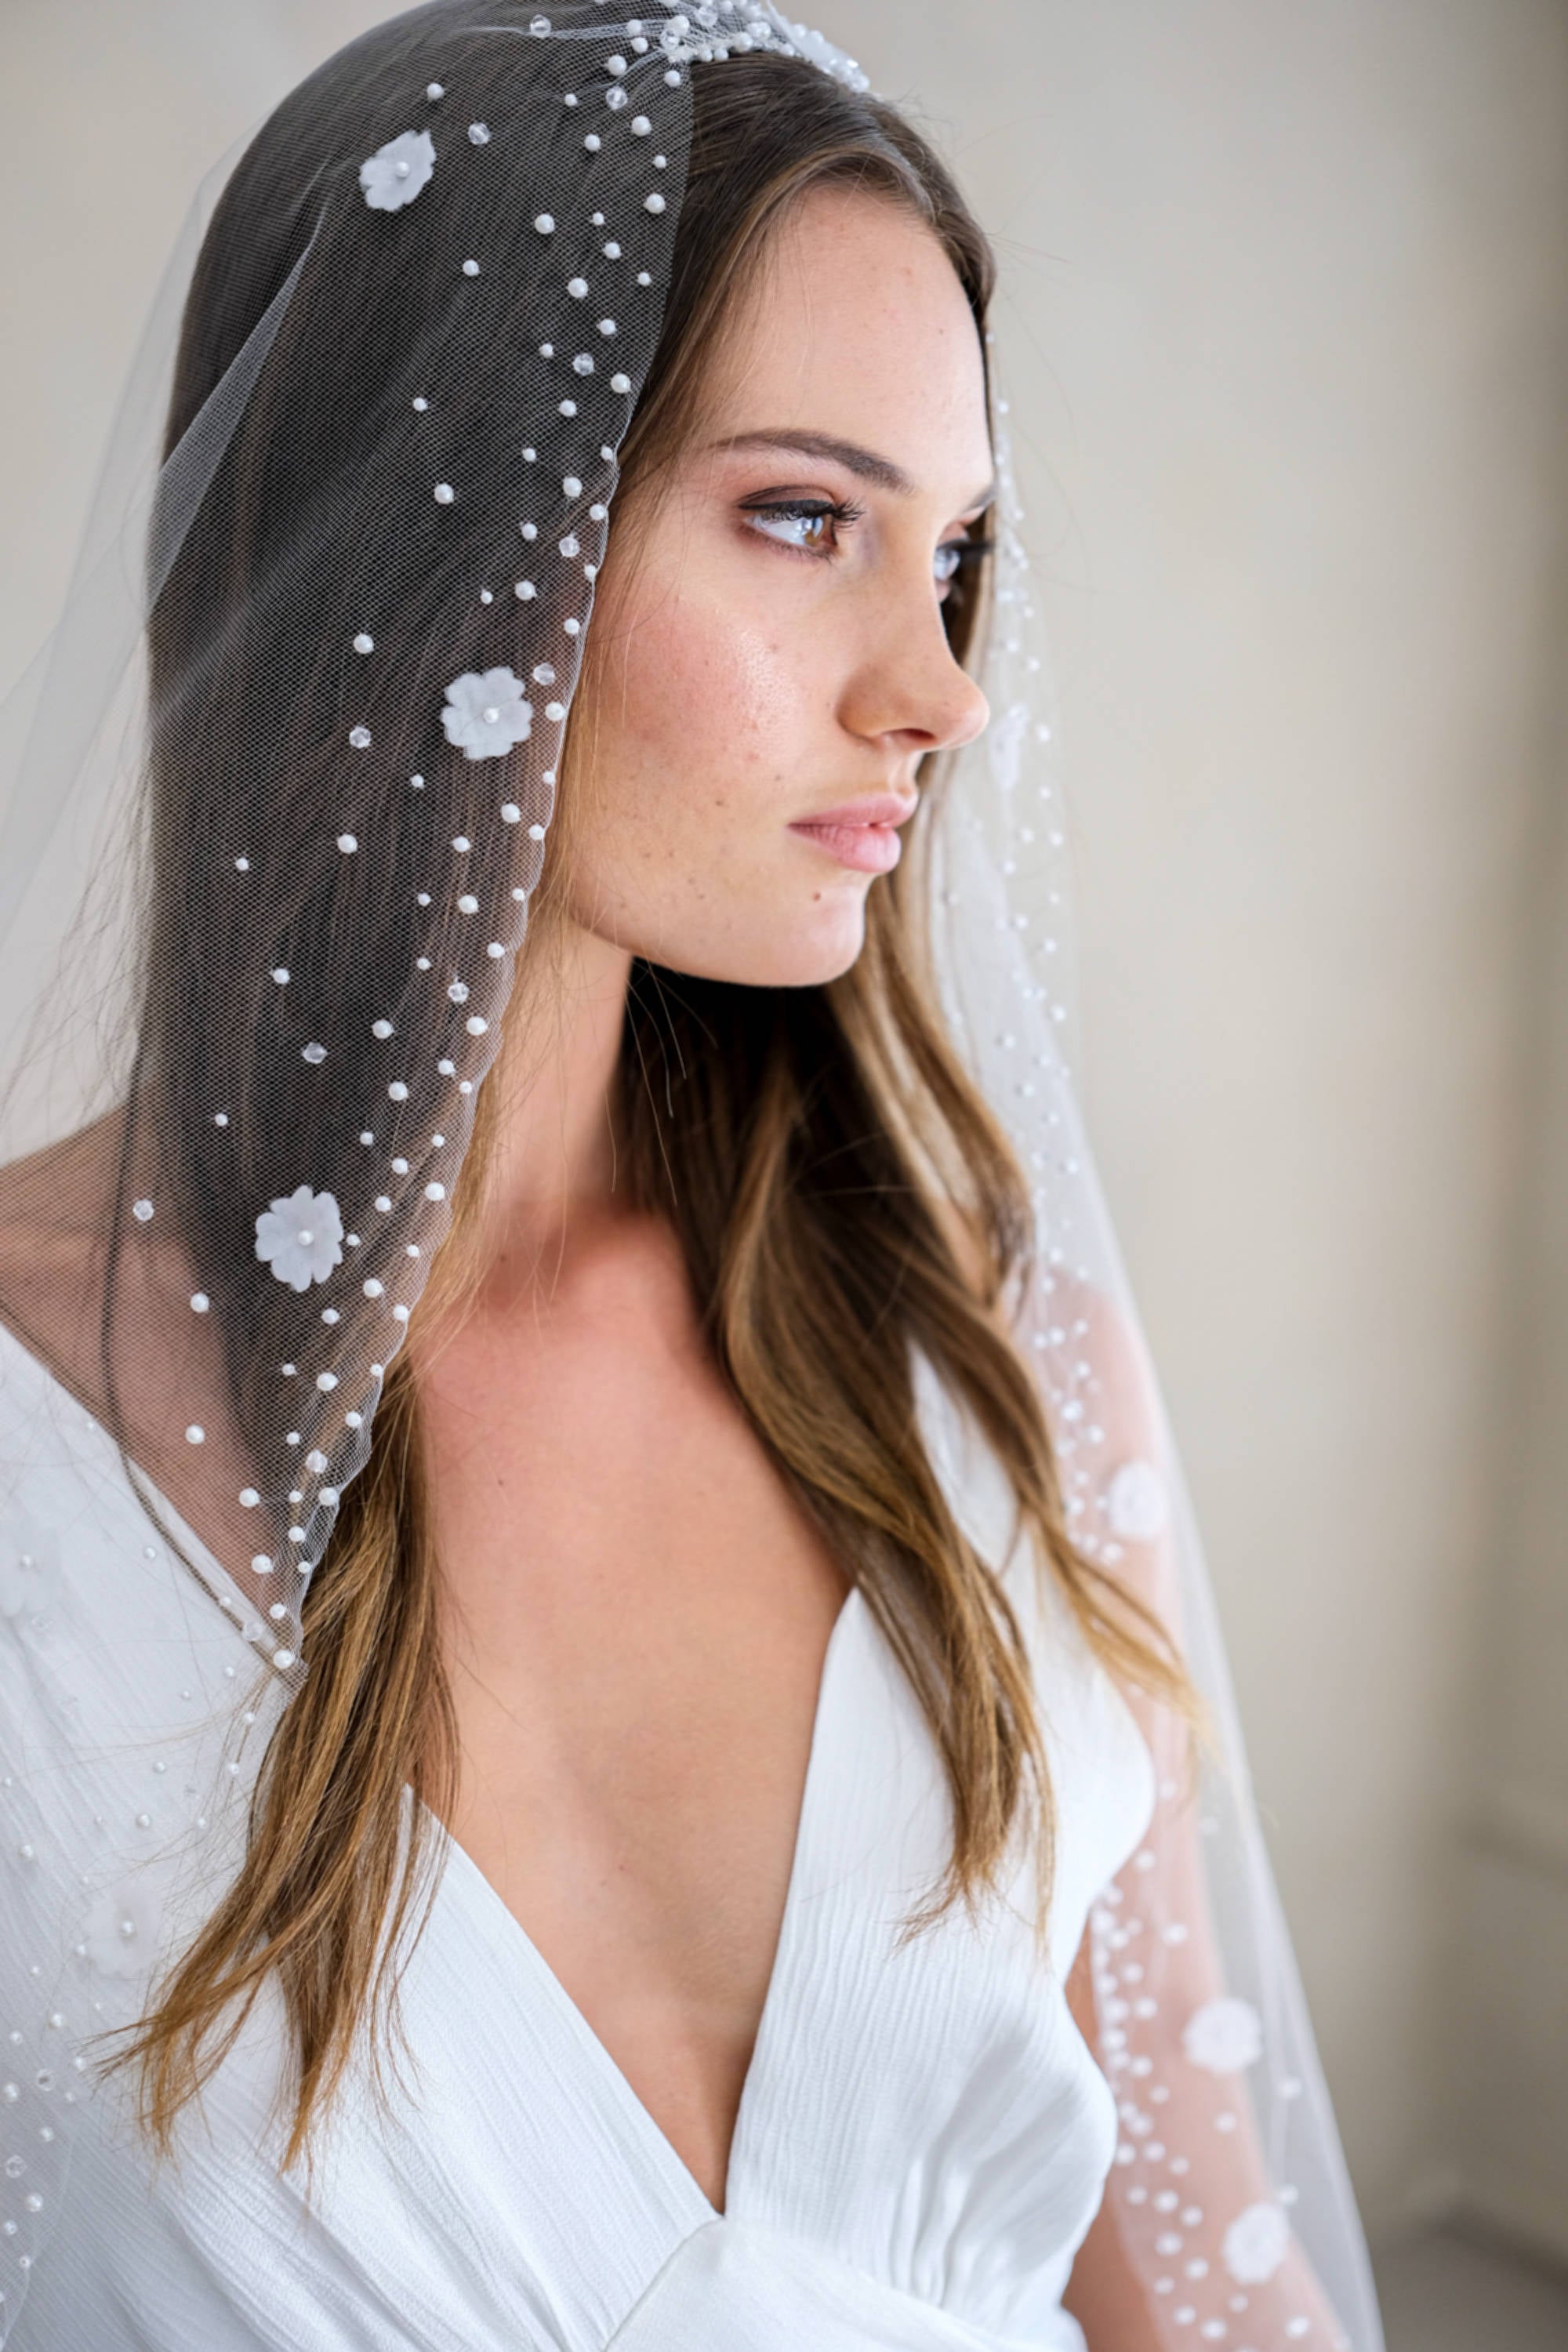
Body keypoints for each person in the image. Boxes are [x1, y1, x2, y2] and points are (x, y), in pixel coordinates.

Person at [0, 4, 1386, 2347]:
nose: (935, 688)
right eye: (800, 517)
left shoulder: (989, 1357)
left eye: (948, 551)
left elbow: (1203, 2289)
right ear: (417, 535)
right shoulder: (37, 1447)